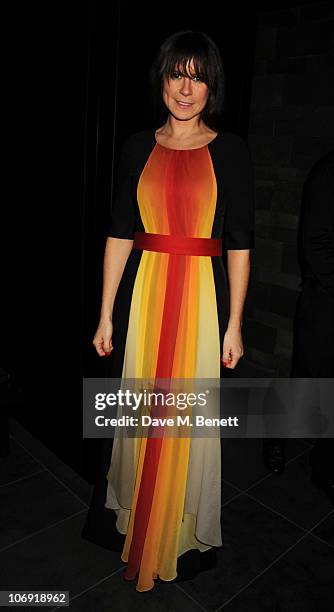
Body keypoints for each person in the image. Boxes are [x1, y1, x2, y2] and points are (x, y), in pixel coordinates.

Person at [81, 29, 255, 592]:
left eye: (197, 76)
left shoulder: (229, 150)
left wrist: (234, 324)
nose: (186, 87)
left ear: (211, 87)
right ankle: (135, 523)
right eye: (177, 74)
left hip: (202, 303)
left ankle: (174, 534)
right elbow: (119, 234)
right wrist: (106, 313)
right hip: (146, 299)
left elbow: (241, 242)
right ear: (161, 78)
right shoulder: (136, 145)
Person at [291, 150, 334, 502]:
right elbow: (314, 241)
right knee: (306, 380)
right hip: (323, 300)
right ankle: (275, 440)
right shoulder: (328, 171)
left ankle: (325, 464)